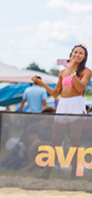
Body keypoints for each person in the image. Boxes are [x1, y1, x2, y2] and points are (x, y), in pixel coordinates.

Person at [32, 44, 91, 179]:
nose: (77, 55)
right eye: (75, 52)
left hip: (76, 103)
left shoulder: (86, 72)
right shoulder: (62, 72)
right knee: (56, 141)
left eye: (81, 53)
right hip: (63, 104)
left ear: (84, 58)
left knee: (75, 141)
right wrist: (41, 83)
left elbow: (80, 88)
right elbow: (55, 93)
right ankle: (47, 172)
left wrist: (73, 72)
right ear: (71, 55)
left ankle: (74, 173)